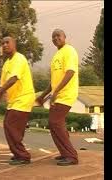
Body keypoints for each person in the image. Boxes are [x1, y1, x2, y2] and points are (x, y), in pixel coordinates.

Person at [0, 36, 35, 165]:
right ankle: (18, 153)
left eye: (7, 42)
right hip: (14, 101)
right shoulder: (6, 64)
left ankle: (23, 156)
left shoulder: (19, 58)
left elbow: (13, 79)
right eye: (2, 43)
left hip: (24, 97)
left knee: (10, 124)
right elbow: (2, 87)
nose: (4, 45)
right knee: (11, 126)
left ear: (14, 44)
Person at [36, 29, 79, 166]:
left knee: (55, 122)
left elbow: (70, 72)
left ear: (64, 37)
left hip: (66, 94)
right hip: (57, 95)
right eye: (53, 37)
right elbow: (53, 81)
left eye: (58, 35)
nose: (55, 38)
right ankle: (65, 153)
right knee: (55, 123)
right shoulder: (56, 55)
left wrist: (56, 92)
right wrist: (43, 95)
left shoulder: (69, 51)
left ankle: (71, 156)